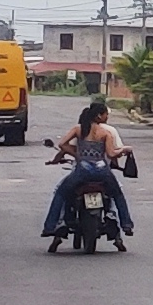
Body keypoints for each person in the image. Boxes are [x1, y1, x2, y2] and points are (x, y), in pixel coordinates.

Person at [42, 98, 135, 238]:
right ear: (99, 116)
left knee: (61, 193)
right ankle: (126, 224)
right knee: (117, 195)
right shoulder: (105, 133)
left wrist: (78, 155)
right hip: (102, 171)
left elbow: (62, 144)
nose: (107, 117)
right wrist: (125, 150)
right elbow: (111, 154)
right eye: (106, 114)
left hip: (82, 171)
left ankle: (50, 227)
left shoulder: (78, 129)